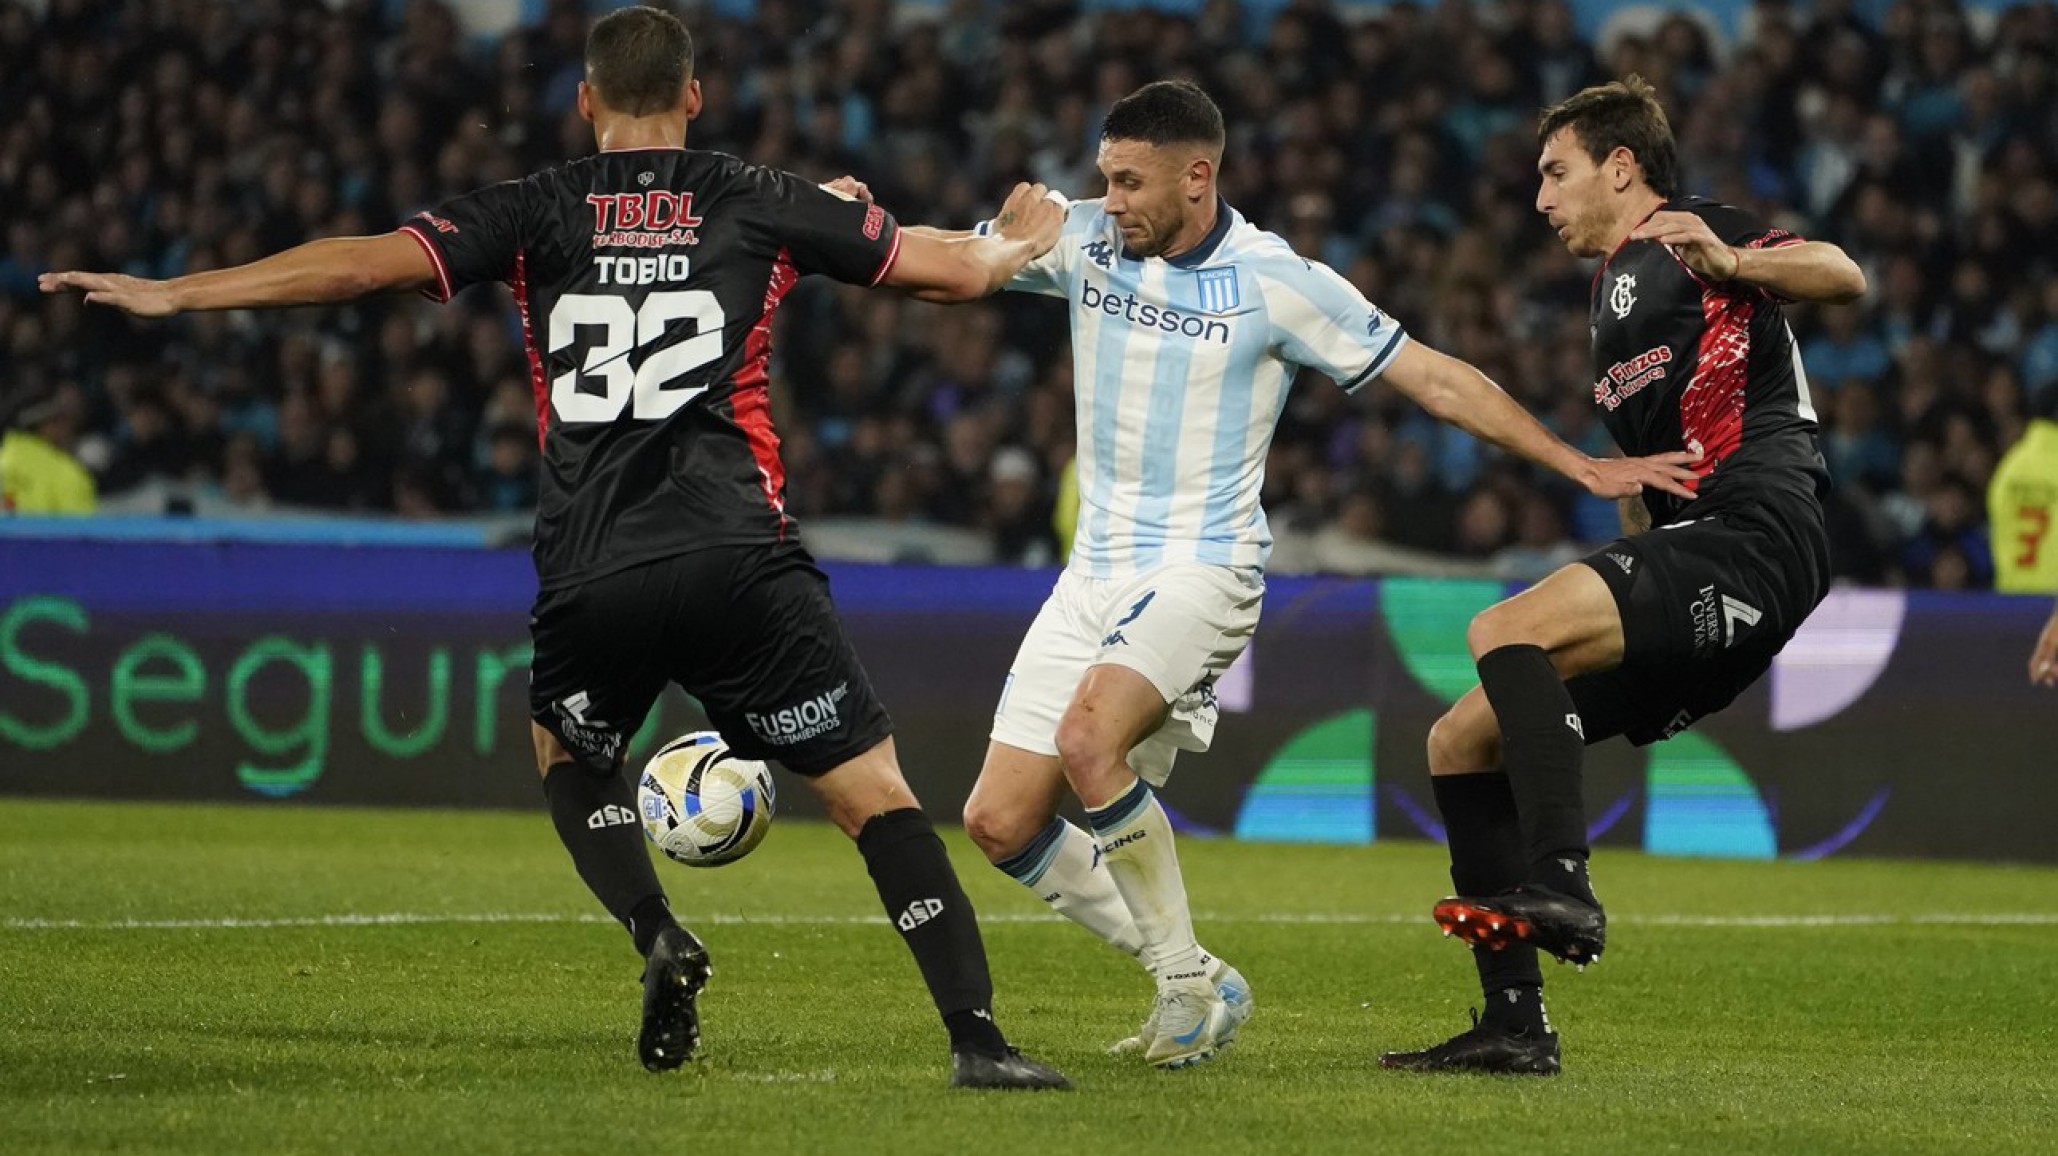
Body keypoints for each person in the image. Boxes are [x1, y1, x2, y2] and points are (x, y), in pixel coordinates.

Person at [42, 5, 1071, 1091]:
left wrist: (177, 290)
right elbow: (956, 273)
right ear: (694, 95)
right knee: (874, 794)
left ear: (584, 100)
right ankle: (977, 1040)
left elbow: (358, 268)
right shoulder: (759, 197)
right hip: (738, 557)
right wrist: (1017, 238)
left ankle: (654, 927)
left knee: (571, 754)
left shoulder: (536, 210)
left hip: (593, 567)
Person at [849, 80, 1699, 1070]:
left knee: (1090, 738)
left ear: (1197, 176)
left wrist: (1578, 465)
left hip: (1204, 569)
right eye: (1104, 178)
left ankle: (1178, 989)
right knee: (1000, 821)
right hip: (1092, 577)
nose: (1110, 199)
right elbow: (936, 258)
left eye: (1130, 181)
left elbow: (1433, 375)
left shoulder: (1275, 280)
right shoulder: (1078, 237)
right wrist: (832, 221)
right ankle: (1200, 974)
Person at [1379, 76, 1866, 1076]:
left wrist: (1735, 259)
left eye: (1555, 173)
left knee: (1502, 630)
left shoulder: (1687, 234)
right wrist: (1635, 529)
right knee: (1460, 738)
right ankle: (1515, 1022)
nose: (1541, 198)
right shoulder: (1613, 301)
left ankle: (1562, 879)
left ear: (1621, 166)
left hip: (1758, 530)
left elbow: (1843, 272)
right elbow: (1655, 470)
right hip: (1700, 556)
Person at [1, 384, 97, 515]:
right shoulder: (67, 475)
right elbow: (80, 533)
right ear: (48, 426)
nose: (70, 428)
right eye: (64, 420)